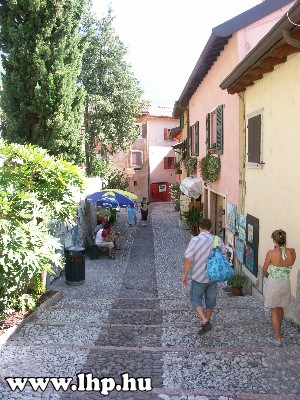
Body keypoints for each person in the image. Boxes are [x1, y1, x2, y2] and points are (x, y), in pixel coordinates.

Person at [182, 218, 227, 335]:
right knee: (210, 300)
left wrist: (185, 276)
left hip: (199, 276)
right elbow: (224, 253)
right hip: (213, 276)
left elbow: (188, 260)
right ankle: (207, 320)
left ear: (199, 228)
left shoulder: (195, 240)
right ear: (211, 228)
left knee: (195, 298)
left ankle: (205, 321)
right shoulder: (216, 239)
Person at [262, 229, 296, 347]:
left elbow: (264, 270)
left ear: (274, 241)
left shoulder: (271, 253)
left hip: (274, 283)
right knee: (280, 307)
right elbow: (291, 264)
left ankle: (278, 338)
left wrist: (268, 276)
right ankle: (279, 330)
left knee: (274, 311)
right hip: (285, 283)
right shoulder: (292, 252)